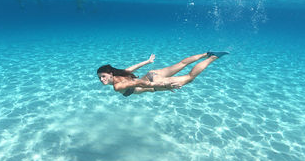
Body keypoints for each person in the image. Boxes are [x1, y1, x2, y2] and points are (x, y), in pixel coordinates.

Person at [97, 51, 229, 97]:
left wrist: (161, 85)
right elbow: (133, 68)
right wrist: (148, 61)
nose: (102, 80)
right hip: (151, 74)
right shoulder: (121, 73)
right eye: (99, 78)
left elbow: (137, 82)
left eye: (103, 76)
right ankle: (206, 53)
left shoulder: (117, 86)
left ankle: (213, 57)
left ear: (110, 74)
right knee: (181, 64)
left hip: (152, 83)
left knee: (189, 77)